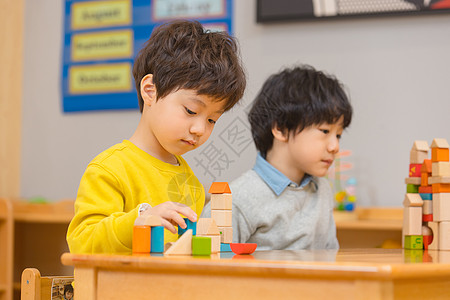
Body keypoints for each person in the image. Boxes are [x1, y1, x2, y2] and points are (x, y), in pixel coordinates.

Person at [67, 20, 246, 254]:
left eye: (212, 120)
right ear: (150, 90)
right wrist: (139, 220)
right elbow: (82, 243)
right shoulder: (110, 170)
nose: (200, 129)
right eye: (191, 111)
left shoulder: (190, 182)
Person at [203, 65, 352, 250]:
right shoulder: (239, 199)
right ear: (280, 128)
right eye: (325, 131)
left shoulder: (322, 190)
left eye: (338, 135)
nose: (334, 146)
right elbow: (205, 266)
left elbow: (331, 257)